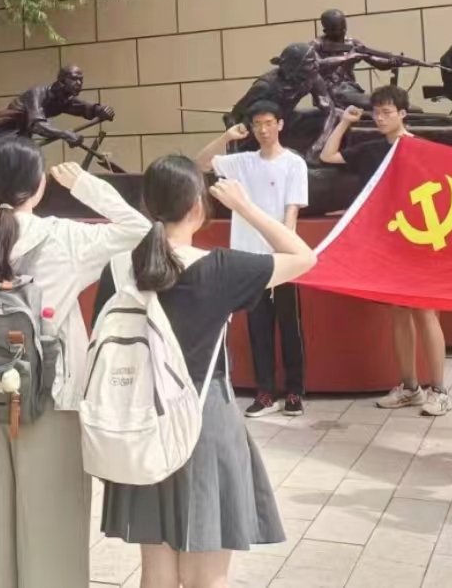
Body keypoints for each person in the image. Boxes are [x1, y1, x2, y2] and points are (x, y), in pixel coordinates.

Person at [98, 159, 316, 588]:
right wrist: (247, 208)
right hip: (205, 419)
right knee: (206, 577)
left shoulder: (119, 269)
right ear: (198, 207)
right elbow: (304, 257)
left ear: (147, 205)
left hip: (140, 420)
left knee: (156, 573)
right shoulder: (220, 269)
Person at [0, 135, 151, 588]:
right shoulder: (63, 236)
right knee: (52, 532)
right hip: (50, 402)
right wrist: (85, 185)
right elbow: (140, 229)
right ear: (39, 182)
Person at [320, 86, 451, 417]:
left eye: (387, 112)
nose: (380, 118)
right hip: (388, 245)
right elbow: (327, 156)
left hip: (420, 242)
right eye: (376, 112)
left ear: (402, 114)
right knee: (399, 313)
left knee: (425, 312)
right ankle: (410, 388)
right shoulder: (372, 150)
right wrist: (345, 122)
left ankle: (439, 391)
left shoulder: (421, 149)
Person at [197, 102, 309, 418]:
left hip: (282, 258)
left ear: (280, 124)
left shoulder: (293, 163)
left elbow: (291, 211)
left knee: (290, 326)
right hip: (249, 259)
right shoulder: (242, 162)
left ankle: (295, 392)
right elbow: (200, 163)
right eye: (257, 124)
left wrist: (284, 250)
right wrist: (226, 137)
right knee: (258, 328)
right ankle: (265, 393)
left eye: (268, 122)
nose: (263, 129)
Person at [0, 64, 115, 149]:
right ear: (61, 81)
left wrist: (100, 110)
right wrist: (65, 135)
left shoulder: (63, 99)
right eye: (74, 79)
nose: (79, 83)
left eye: (81, 80)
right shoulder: (37, 93)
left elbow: (82, 107)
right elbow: (36, 126)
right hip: (5, 134)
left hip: (22, 135)